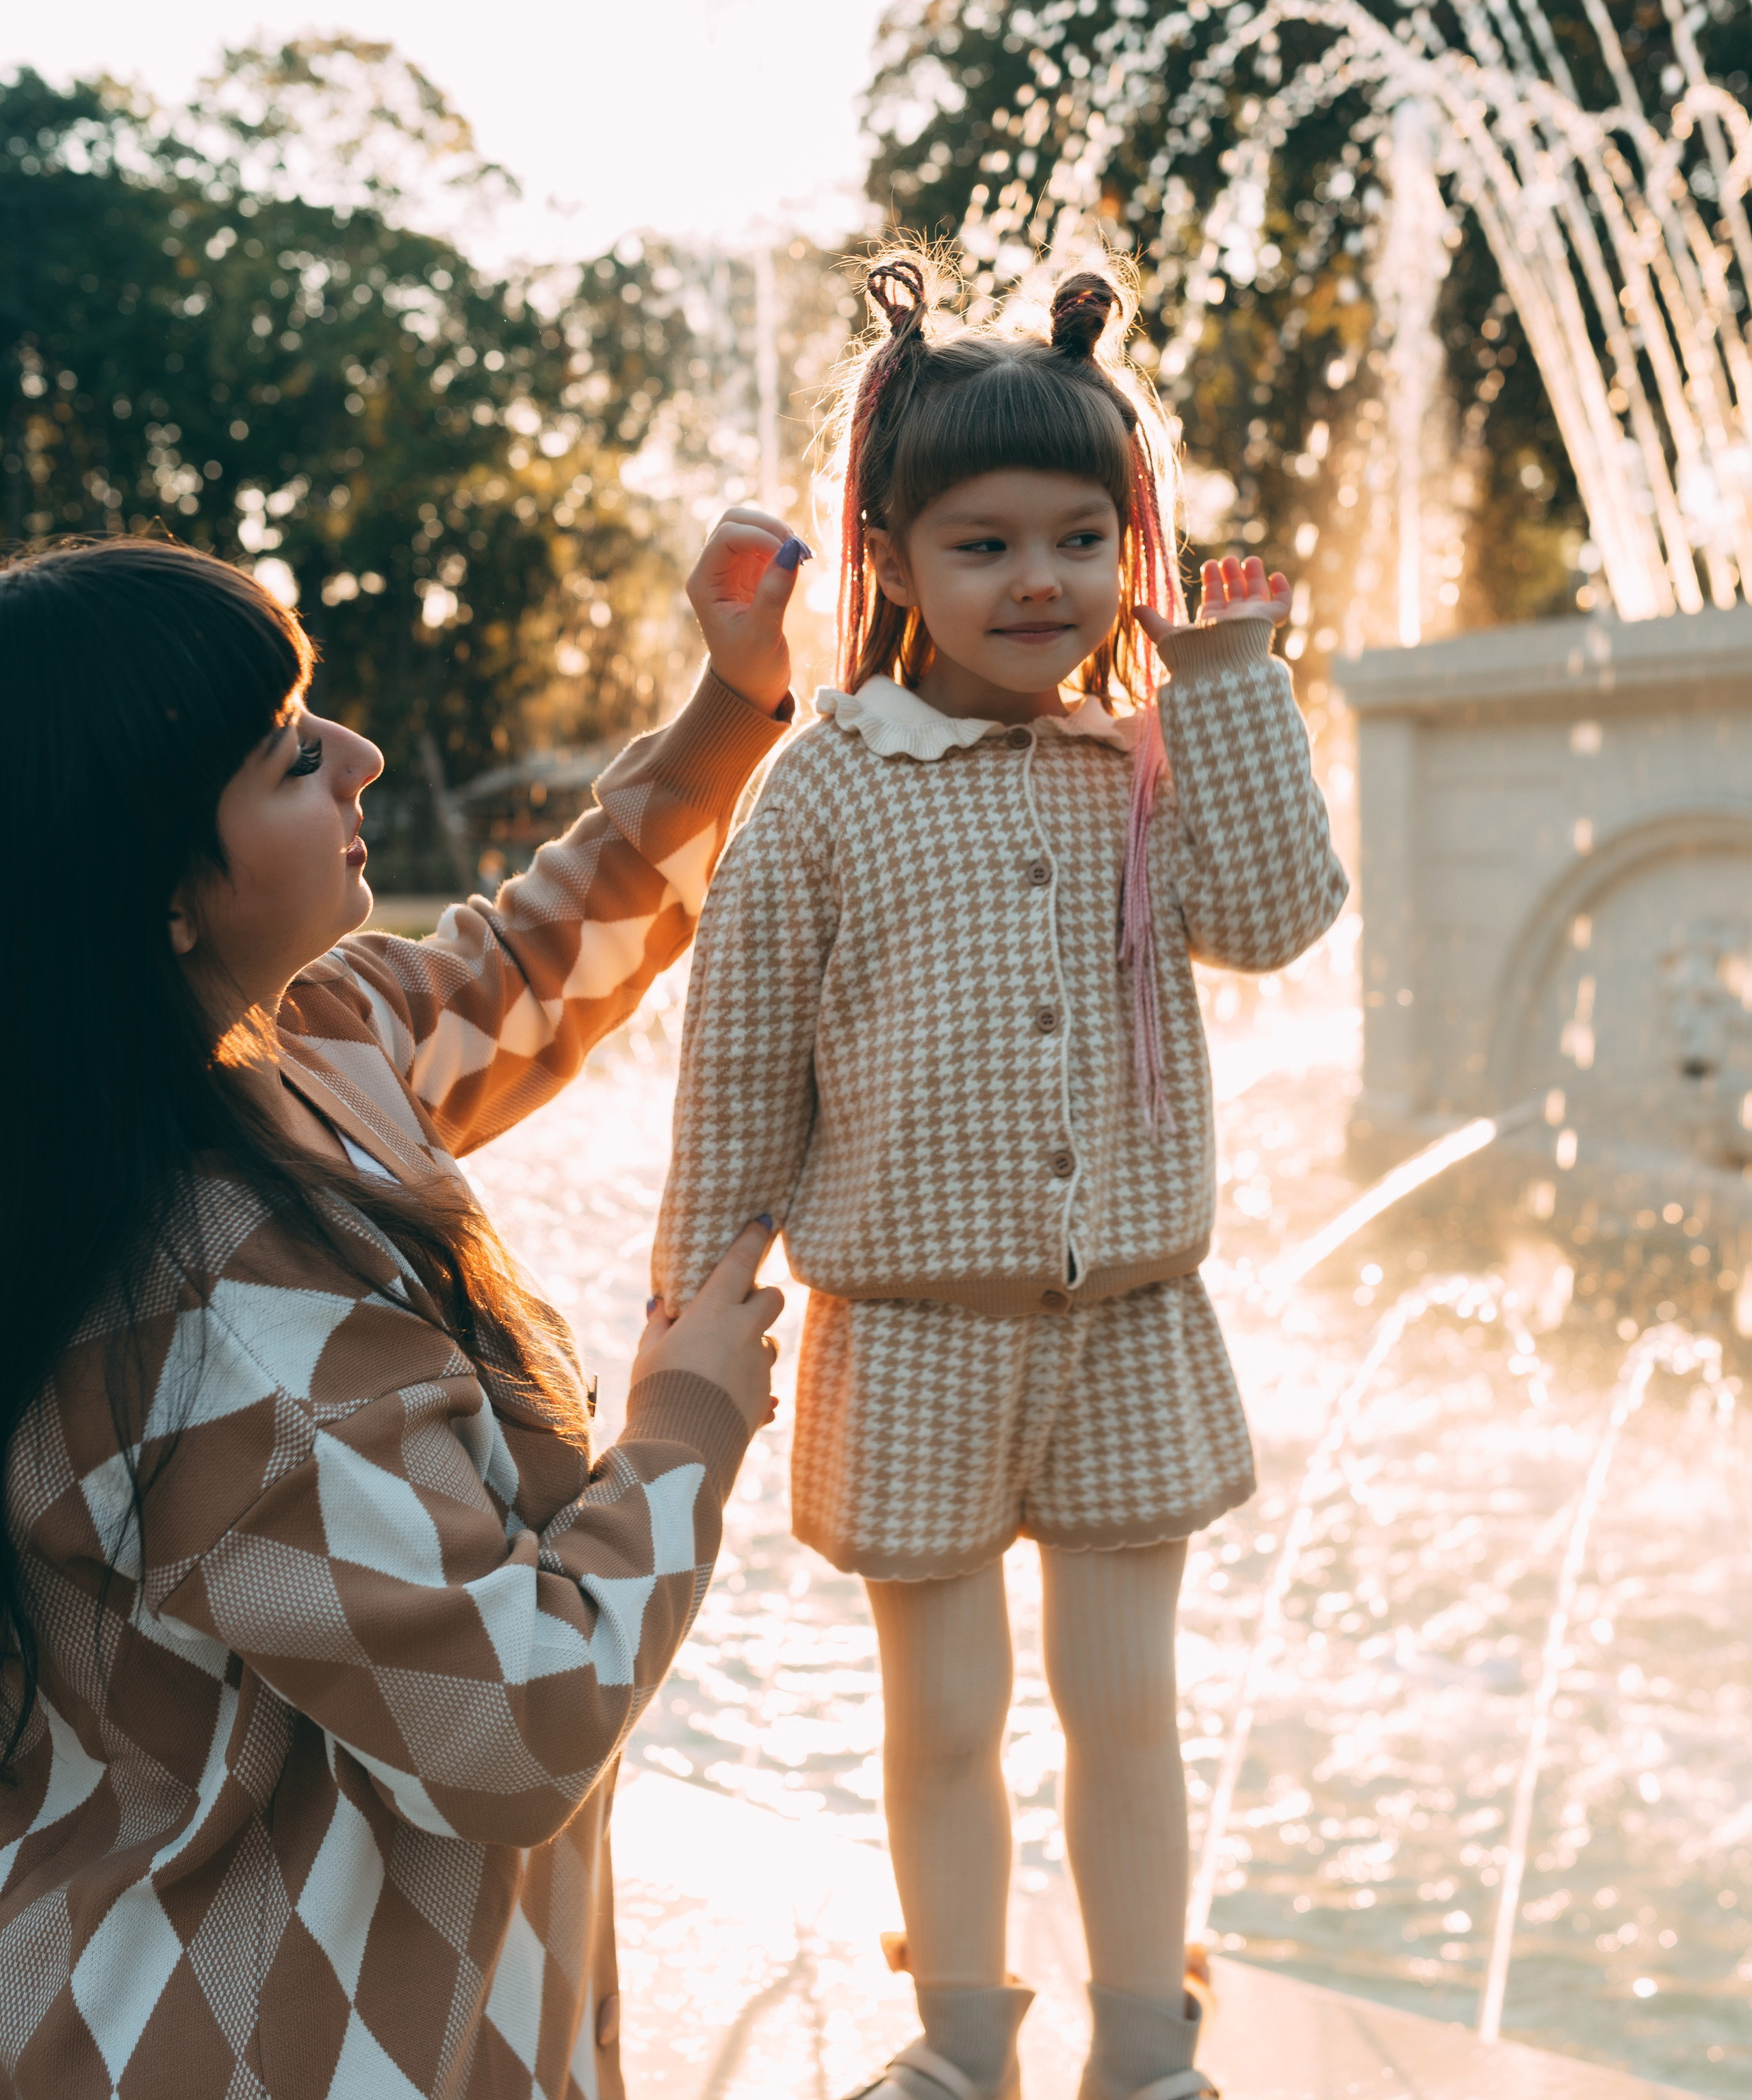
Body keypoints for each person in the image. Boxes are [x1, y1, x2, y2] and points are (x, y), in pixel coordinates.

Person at [653, 255, 1349, 2100]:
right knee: (946, 1715)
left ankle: (1145, 2051)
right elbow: (735, 1082)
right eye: (981, 544)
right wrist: (689, 1326)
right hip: (914, 1334)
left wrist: (1231, 678)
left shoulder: (1137, 760)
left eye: (1077, 538)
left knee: (1130, 1712)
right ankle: (963, 2048)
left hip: (1129, 1323)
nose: (1038, 581)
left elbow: (1280, 918)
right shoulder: (828, 787)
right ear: (884, 554)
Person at [0, 511, 806, 2100]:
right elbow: (519, 1719)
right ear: (160, 888)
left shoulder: (286, 1049)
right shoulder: (224, 1319)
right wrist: (684, 1429)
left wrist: (730, 710)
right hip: (251, 2048)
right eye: (292, 756)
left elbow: (526, 963)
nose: (358, 753)